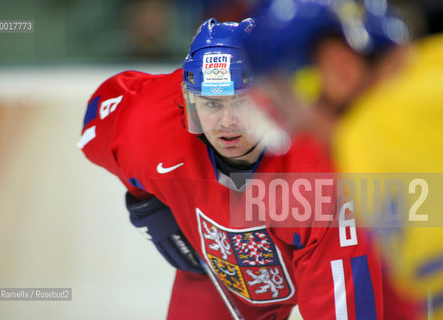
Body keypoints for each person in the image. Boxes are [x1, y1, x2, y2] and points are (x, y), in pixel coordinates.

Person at [79, 18, 385, 319]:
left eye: (242, 102)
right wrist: (146, 203)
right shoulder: (150, 125)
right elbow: (98, 118)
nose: (227, 122)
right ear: (189, 102)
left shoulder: (321, 169)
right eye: (213, 104)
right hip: (221, 276)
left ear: (273, 97)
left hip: (352, 249)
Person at [245, 0, 443, 318]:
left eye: (280, 101)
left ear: (340, 69)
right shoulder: (422, 84)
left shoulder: (373, 131)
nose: (291, 129)